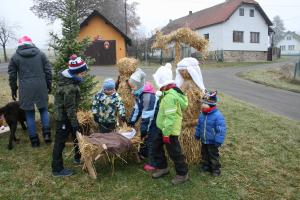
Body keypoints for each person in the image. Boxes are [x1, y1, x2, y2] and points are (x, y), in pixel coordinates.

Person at [8, 35, 52, 147]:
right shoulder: (41, 54)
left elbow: (12, 76)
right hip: (40, 86)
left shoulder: (15, 57)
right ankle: (47, 135)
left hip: (25, 88)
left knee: (29, 114)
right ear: (31, 44)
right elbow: (48, 71)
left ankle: (34, 141)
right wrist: (48, 84)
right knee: (43, 110)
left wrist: (14, 89)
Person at [151, 63, 189, 185]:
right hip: (162, 127)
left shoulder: (170, 97)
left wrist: (166, 134)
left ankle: (182, 174)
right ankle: (163, 167)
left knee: (175, 152)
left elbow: (170, 117)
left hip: (169, 130)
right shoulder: (168, 92)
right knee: (156, 146)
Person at [51, 54, 88, 177]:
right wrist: (74, 123)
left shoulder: (70, 80)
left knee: (77, 135)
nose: (84, 75)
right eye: (82, 73)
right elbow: (69, 107)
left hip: (68, 115)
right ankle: (57, 169)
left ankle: (78, 157)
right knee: (60, 141)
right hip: (63, 117)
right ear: (76, 73)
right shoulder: (69, 87)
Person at [127, 68, 159, 171]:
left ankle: (153, 163)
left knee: (151, 141)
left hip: (155, 121)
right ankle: (144, 154)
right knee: (145, 137)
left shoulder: (148, 96)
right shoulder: (139, 94)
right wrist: (131, 122)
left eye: (133, 87)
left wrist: (144, 130)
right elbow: (137, 109)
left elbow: (148, 116)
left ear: (139, 85)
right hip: (149, 119)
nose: (132, 90)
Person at [194, 90, 227, 176]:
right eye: (202, 104)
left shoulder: (218, 116)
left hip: (212, 141)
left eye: (204, 104)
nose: (202, 105)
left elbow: (221, 130)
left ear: (211, 105)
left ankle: (215, 169)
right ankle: (206, 165)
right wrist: (197, 134)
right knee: (204, 153)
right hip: (204, 139)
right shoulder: (202, 115)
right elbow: (199, 125)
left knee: (213, 155)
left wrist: (218, 140)